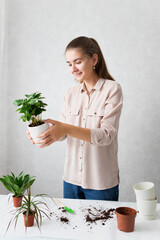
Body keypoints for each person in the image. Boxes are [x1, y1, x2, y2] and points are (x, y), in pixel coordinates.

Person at [28, 36, 123, 201]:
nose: (73, 69)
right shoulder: (70, 93)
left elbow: (106, 135)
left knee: (102, 227)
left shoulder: (112, 89)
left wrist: (65, 128)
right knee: (70, 224)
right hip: (71, 181)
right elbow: (63, 134)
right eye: (69, 64)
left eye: (77, 62)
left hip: (100, 182)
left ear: (94, 59)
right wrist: (45, 132)